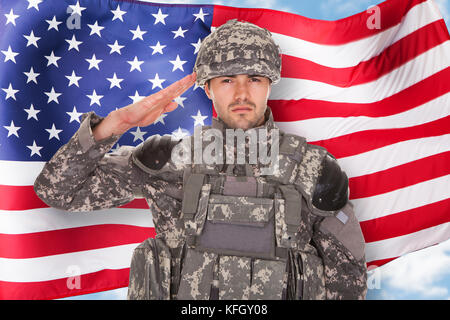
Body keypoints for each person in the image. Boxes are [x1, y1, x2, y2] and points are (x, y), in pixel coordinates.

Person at [34, 19, 367, 300]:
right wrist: (114, 125)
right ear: (207, 88)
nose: (241, 94)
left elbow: (348, 280)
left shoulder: (314, 170)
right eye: (226, 80)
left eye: (253, 79)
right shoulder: (169, 161)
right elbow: (59, 191)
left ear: (269, 85)